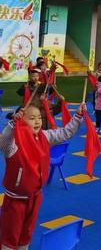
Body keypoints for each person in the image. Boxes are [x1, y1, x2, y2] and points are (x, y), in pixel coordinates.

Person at [0, 102, 85, 250]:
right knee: (10, 236)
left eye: (39, 117)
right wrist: (13, 124)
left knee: (26, 234)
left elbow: (65, 133)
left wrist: (77, 116)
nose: (38, 121)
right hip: (15, 201)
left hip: (35, 198)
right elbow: (3, 141)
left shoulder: (44, 136)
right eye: (32, 118)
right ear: (20, 120)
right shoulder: (13, 144)